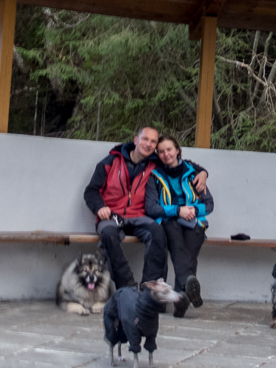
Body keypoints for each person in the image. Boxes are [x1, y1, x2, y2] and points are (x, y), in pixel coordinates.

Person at [83, 126, 207, 290]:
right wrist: (99, 207)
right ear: (136, 140)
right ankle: (127, 286)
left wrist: (203, 172)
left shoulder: (155, 164)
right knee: (108, 235)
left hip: (140, 216)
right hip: (112, 216)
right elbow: (91, 191)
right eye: (145, 139)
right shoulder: (110, 162)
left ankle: (150, 289)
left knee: (158, 231)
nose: (148, 144)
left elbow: (183, 164)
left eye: (153, 142)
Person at [144, 135, 213, 318]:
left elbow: (209, 204)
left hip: (194, 221)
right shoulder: (155, 177)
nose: (166, 154)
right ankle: (186, 292)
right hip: (170, 221)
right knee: (179, 247)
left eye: (169, 149)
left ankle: (181, 297)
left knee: (187, 253)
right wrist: (178, 210)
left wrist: (192, 210)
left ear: (177, 150)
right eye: (161, 151)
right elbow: (151, 208)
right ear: (157, 155)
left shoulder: (194, 174)